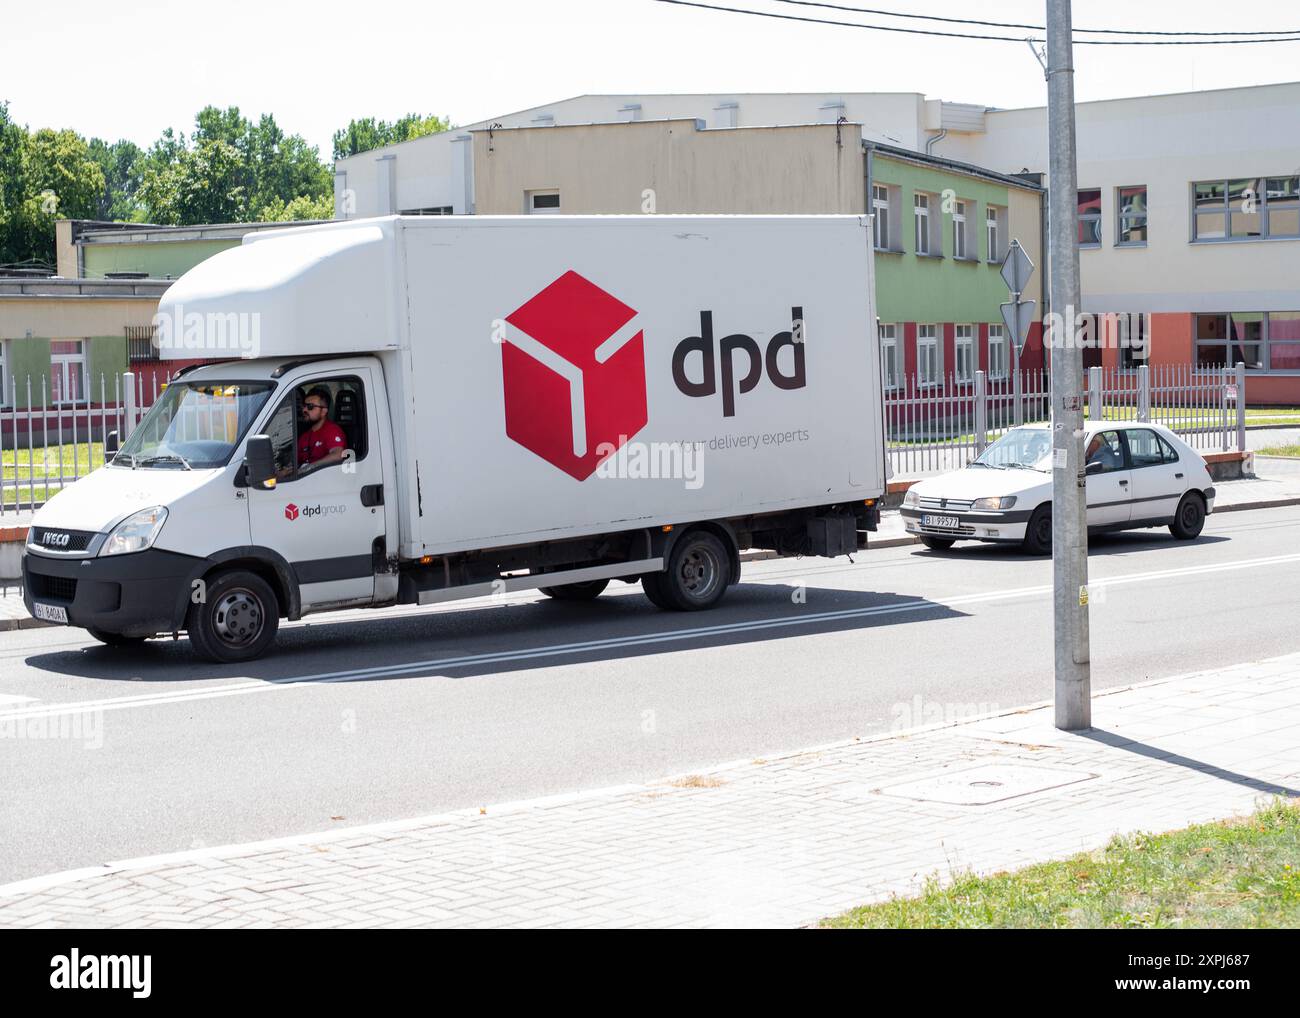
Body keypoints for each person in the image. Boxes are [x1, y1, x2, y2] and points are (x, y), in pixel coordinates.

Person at [295, 386, 346, 472]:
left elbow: (338, 454)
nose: (304, 409)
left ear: (323, 411)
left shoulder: (332, 431)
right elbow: (295, 463)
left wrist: (310, 467)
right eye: (304, 406)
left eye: (310, 406)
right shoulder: (304, 436)